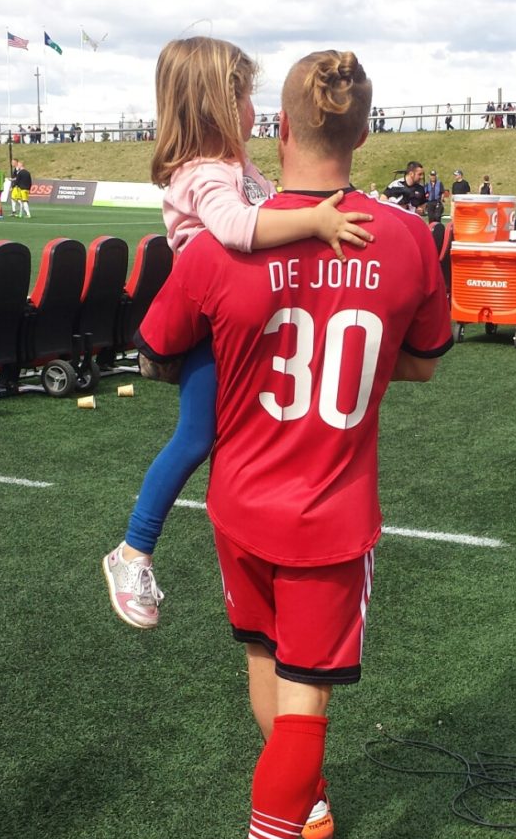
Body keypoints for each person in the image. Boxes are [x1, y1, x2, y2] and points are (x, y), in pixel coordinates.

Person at [136, 46, 451, 839]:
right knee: (305, 700)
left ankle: (304, 803)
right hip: (329, 512)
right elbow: (425, 364)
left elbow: (159, 354)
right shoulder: (404, 237)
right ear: (364, 130)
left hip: (238, 503)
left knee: (265, 665)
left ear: (277, 127)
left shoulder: (214, 243)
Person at [102, 36, 374, 631]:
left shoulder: (234, 166)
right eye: (247, 96)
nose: (257, 108)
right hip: (207, 331)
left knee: (241, 437)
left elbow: (266, 213)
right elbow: (235, 229)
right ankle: (132, 551)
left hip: (241, 324)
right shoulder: (205, 174)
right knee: (196, 438)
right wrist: (316, 218)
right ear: (218, 107)